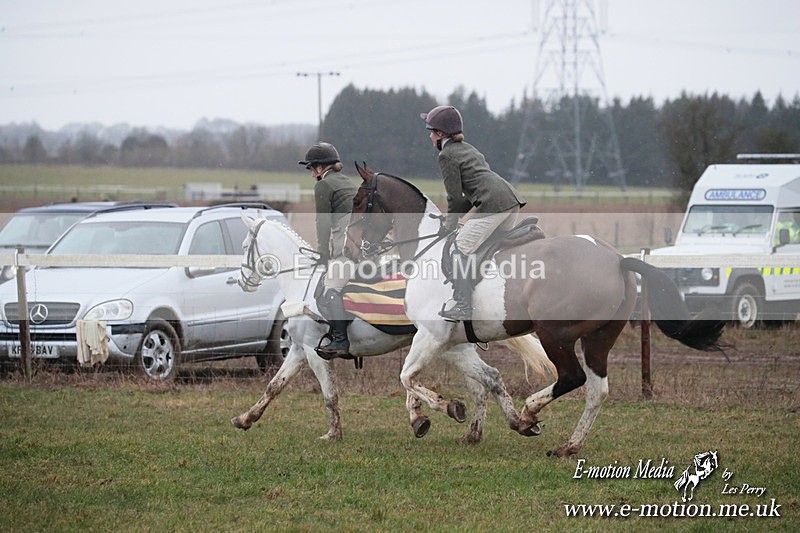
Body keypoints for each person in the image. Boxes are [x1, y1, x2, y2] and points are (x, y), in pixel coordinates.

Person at [420, 105, 527, 322]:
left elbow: (455, 198)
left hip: (493, 205)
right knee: (489, 247)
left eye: (431, 131)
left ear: (440, 134)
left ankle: (463, 305)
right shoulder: (469, 148)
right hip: (510, 200)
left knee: (459, 248)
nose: (430, 136)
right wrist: (454, 219)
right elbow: (467, 198)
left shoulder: (446, 156)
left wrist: (449, 225)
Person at [298, 142, 358, 358]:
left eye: (311, 168)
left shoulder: (324, 185)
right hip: (369, 246)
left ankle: (341, 339)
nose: (311, 173)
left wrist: (323, 253)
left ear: (319, 168)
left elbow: (322, 224)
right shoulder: (347, 182)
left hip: (349, 248)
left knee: (331, 286)